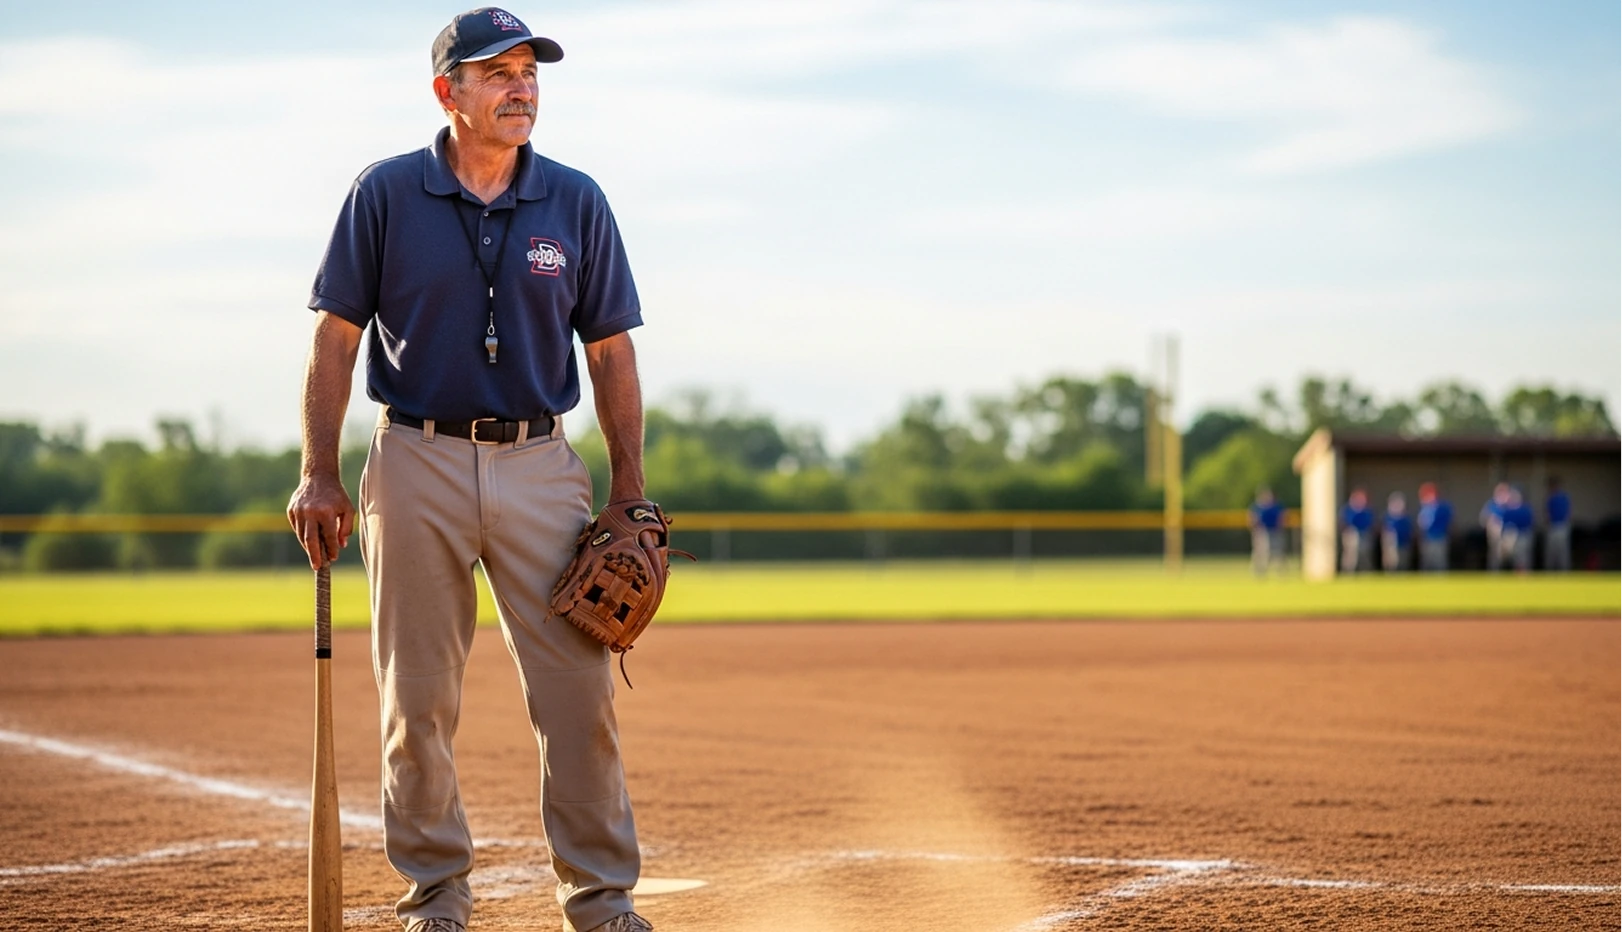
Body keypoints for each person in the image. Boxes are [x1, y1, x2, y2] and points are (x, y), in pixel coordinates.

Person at [286, 10, 655, 932]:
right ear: (448, 91)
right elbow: (336, 338)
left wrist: (629, 491)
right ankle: (437, 900)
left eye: (530, 71)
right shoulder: (386, 193)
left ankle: (603, 903)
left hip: (541, 463)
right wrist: (318, 473)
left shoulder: (575, 201)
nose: (521, 87)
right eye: (497, 73)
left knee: (580, 698)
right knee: (417, 702)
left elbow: (610, 353)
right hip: (415, 457)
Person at [1247, 486, 1285, 576]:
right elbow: (1251, 519)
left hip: (1275, 531)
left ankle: (1279, 571)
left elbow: (1282, 518)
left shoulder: (1276, 507)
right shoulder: (1257, 507)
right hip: (1262, 532)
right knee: (1261, 552)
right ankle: (1259, 571)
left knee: (1277, 551)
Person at [1415, 482, 1452, 572]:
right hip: (1427, 538)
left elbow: (1448, 521)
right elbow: (1421, 523)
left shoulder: (1442, 507)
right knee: (1427, 562)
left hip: (1439, 537)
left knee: (1439, 562)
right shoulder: (1425, 508)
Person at [1340, 488, 1374, 574]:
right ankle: (1348, 571)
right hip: (1352, 534)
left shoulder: (1366, 511)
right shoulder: (1348, 510)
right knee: (1350, 554)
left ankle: (1364, 571)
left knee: (1364, 554)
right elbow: (1345, 522)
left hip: (1363, 534)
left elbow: (1370, 522)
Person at [1503, 485, 1536, 573]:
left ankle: (1524, 574)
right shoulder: (1508, 510)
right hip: (1511, 538)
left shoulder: (1526, 509)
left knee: (1523, 558)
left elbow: (1530, 523)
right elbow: (1506, 525)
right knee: (1514, 558)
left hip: (1523, 535)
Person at [1481, 482, 1511, 572]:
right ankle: (1494, 574)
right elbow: (1483, 520)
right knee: (1494, 557)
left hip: (1509, 535)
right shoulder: (1491, 505)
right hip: (1495, 535)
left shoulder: (1510, 505)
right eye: (1500, 492)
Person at [1545, 477, 1573, 571]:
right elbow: (1547, 514)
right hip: (1552, 526)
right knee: (1551, 552)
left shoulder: (1564, 497)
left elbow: (1568, 513)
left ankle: (1564, 573)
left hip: (1562, 526)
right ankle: (1550, 573)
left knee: (1563, 552)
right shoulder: (1550, 498)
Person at [1381, 491, 1413, 572]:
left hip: (1403, 543)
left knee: (1402, 561)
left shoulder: (1405, 518)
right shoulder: (1388, 517)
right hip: (1391, 544)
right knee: (1391, 561)